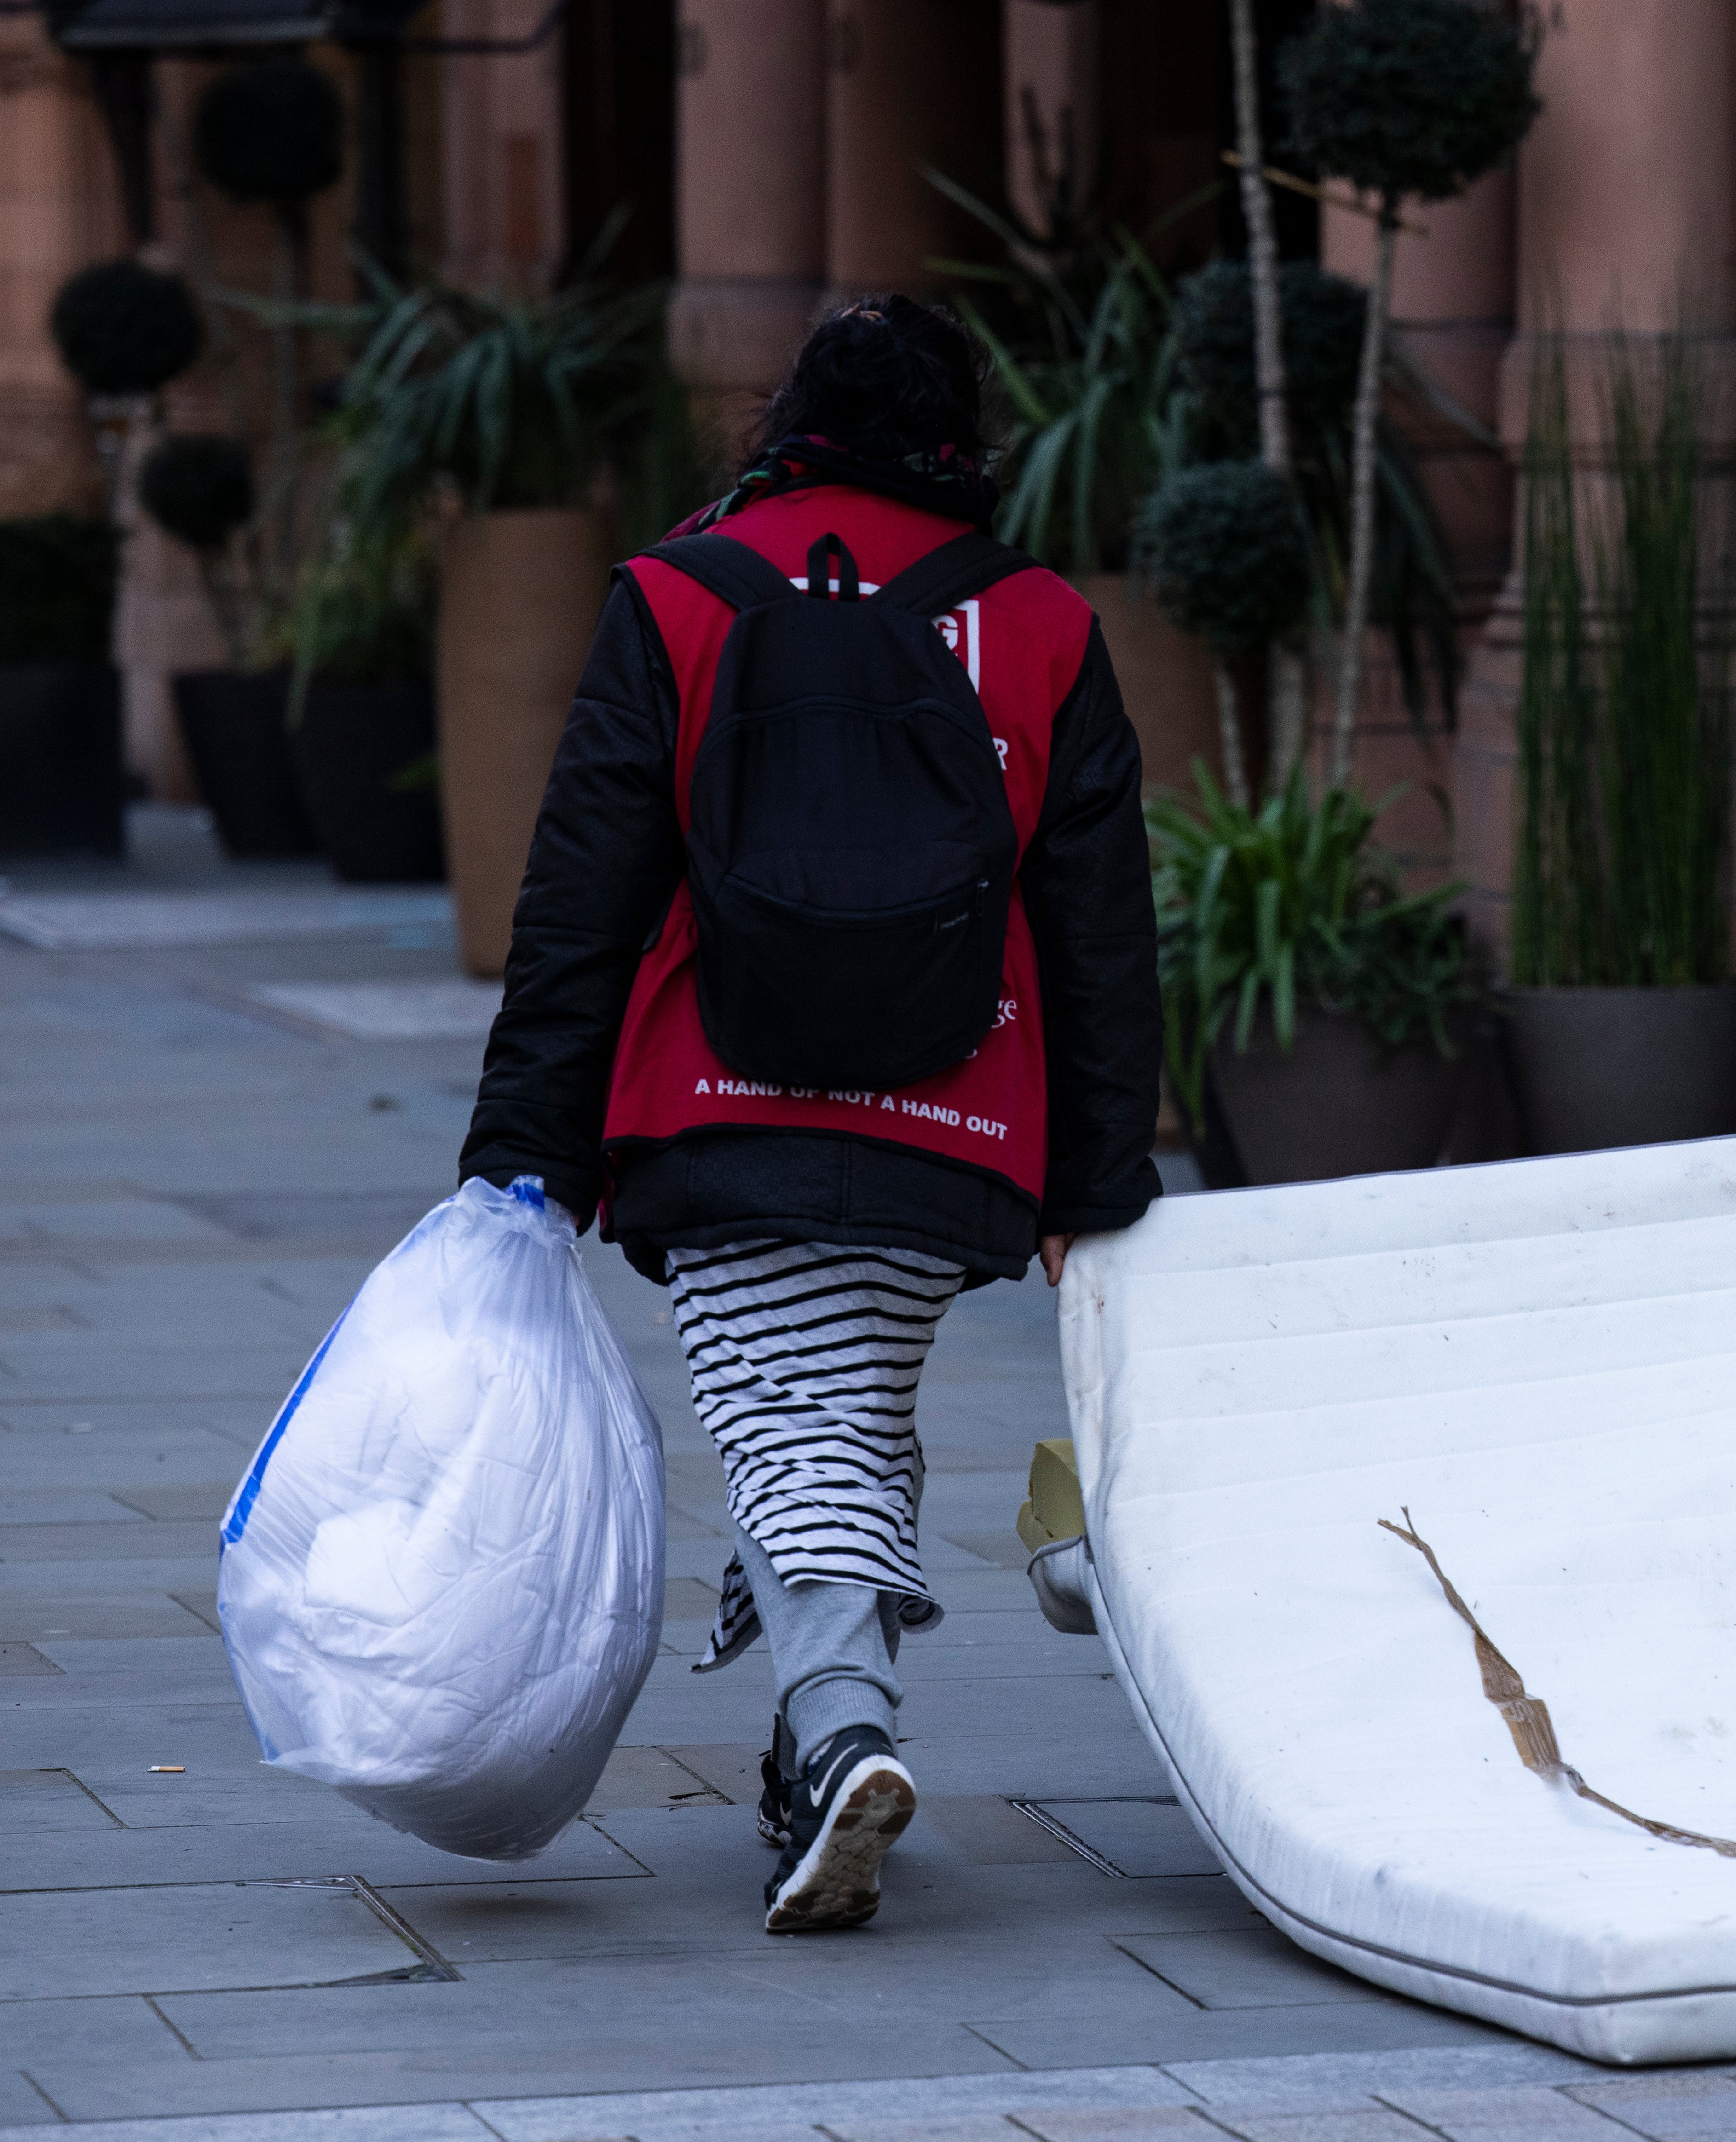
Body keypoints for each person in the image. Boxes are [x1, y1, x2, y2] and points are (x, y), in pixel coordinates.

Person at [461, 295, 1161, 1932]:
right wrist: (1099, 1170)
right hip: (958, 1112)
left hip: (719, 1096)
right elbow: (1100, 919)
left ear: (788, 420)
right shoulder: (1042, 621)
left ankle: (848, 1726)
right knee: (845, 1414)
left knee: (788, 1420)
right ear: (964, 439)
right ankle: (810, 1754)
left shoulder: (680, 592)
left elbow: (583, 892)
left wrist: (526, 1153)